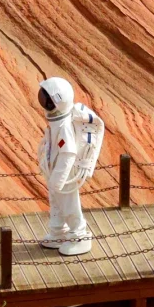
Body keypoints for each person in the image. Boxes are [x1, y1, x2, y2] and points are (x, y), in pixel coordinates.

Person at [37, 77, 104, 255]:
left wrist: (58, 178)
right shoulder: (58, 122)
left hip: (65, 174)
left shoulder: (64, 126)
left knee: (69, 205)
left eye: (47, 99)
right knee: (57, 204)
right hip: (56, 172)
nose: (44, 102)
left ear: (57, 102)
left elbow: (68, 153)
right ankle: (58, 231)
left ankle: (79, 235)